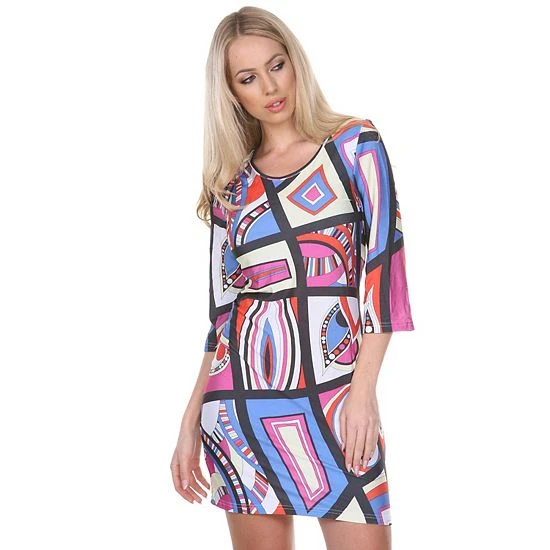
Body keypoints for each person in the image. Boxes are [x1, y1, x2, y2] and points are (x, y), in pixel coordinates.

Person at [171, 6, 415, 549]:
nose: (270, 87)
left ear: (295, 61)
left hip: (336, 398)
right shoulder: (231, 186)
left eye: (276, 65)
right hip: (241, 407)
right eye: (248, 77)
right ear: (232, 93)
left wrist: (363, 392)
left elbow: (383, 277)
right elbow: (222, 315)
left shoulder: (355, 146)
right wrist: (189, 422)